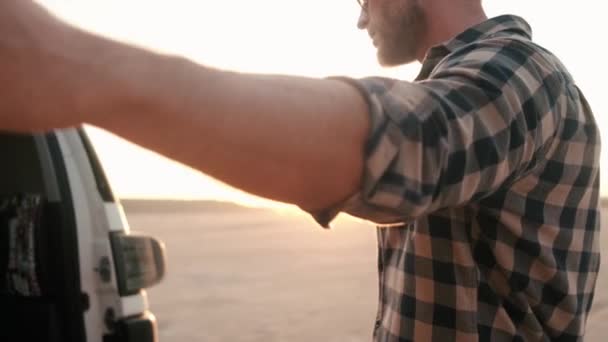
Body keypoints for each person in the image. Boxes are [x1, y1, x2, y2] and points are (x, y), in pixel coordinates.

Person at [0, 0, 601, 341]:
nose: (359, 17)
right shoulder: (466, 80)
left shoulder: (527, 72)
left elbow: (408, 147)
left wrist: (75, 71)